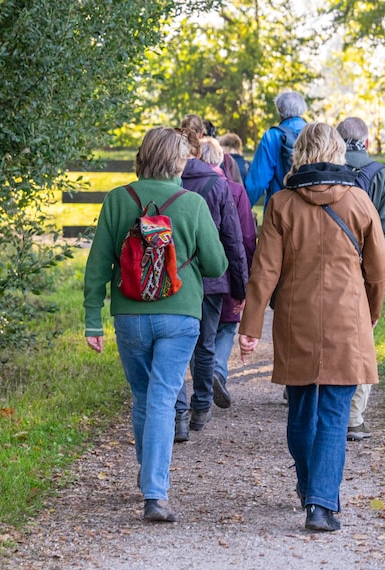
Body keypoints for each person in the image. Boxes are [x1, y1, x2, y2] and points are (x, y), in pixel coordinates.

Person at [238, 122, 385, 532]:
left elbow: (264, 270)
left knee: (302, 410)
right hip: (347, 321)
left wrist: (250, 325)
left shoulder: (282, 205)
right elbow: (379, 267)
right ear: (338, 152)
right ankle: (321, 505)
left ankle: (310, 489)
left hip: (295, 320)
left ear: (299, 153)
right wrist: (370, 314)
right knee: (336, 413)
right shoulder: (358, 201)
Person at [83, 127, 228, 523]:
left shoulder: (117, 200)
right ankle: (155, 494)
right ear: (177, 161)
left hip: (129, 315)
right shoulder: (193, 203)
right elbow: (217, 266)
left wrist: (92, 320)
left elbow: (97, 266)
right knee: (164, 395)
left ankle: (149, 480)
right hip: (180, 316)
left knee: (144, 395)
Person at [173, 119, 248, 442]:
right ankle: (201, 406)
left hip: (173, 278)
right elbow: (233, 239)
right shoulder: (218, 185)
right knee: (205, 345)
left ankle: (178, 413)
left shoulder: (170, 183)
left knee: (174, 346)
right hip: (212, 280)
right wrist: (240, 286)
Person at [335, 117, 385, 441]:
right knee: (361, 340)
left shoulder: (322, 169)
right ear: (367, 142)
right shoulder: (379, 174)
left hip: (327, 268)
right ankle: (353, 417)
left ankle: (323, 406)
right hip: (366, 272)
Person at [197, 137, 256, 409]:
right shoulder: (234, 190)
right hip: (225, 273)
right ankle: (218, 371)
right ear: (222, 161)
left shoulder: (183, 186)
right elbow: (244, 237)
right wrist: (245, 281)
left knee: (199, 330)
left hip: (192, 276)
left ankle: (203, 380)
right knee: (227, 325)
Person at [244, 91, 308, 208]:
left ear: (279, 111)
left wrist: (243, 208)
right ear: (303, 109)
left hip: (279, 208)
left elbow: (258, 181)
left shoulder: (271, 136)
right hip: (311, 209)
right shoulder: (315, 134)